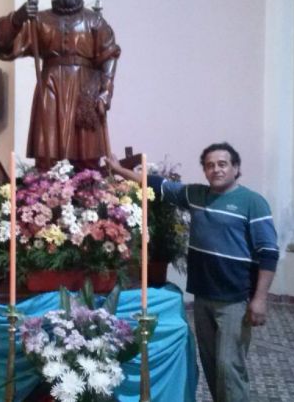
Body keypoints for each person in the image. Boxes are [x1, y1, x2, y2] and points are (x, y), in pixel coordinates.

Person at [107, 142, 279, 402]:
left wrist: (260, 299)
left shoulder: (252, 202)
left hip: (234, 299)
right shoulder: (196, 195)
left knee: (229, 366)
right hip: (203, 295)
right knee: (211, 363)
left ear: (235, 168)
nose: (216, 170)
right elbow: (157, 185)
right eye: (210, 165)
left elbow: (269, 252)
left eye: (222, 164)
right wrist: (119, 170)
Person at [0, 0, 121, 171]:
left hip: (84, 89)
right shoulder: (39, 21)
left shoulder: (94, 21)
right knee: (47, 149)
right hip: (51, 87)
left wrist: (105, 93)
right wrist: (17, 19)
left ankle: (89, 193)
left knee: (86, 153)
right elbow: (2, 44)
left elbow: (109, 56)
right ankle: (46, 190)